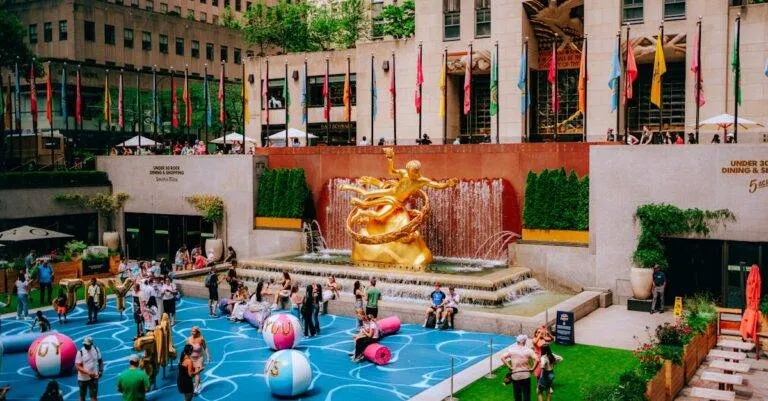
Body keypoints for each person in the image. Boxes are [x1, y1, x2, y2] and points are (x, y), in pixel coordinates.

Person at [500, 335, 538, 401]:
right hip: (526, 375)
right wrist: (533, 368)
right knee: (526, 394)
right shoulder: (528, 350)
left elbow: (502, 357)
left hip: (515, 375)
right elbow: (537, 359)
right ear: (524, 341)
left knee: (517, 395)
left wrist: (509, 366)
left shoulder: (511, 350)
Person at [75, 336, 103, 401]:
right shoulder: (80, 352)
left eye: (87, 345)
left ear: (91, 344)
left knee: (94, 397)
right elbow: (77, 366)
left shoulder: (96, 349)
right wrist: (88, 373)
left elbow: (100, 360)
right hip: (82, 379)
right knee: (82, 397)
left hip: (93, 378)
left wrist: (101, 371)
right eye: (84, 344)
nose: (86, 346)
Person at [187, 327, 210, 394]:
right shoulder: (188, 339)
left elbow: (205, 347)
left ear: (197, 332)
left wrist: (208, 356)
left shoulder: (201, 339)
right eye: (191, 331)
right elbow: (186, 349)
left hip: (199, 358)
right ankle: (199, 384)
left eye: (194, 331)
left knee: (197, 373)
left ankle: (196, 389)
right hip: (191, 358)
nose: (192, 332)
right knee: (192, 373)